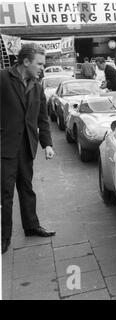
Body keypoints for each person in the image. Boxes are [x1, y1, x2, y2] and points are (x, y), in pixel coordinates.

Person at [1, 43, 56, 254]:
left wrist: (47, 144)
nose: (43, 67)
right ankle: (4, 237)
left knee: (27, 188)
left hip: (26, 147)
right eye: (40, 64)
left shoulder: (37, 86)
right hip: (5, 148)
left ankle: (31, 226)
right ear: (25, 61)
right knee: (5, 195)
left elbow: (42, 119)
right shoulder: (3, 78)